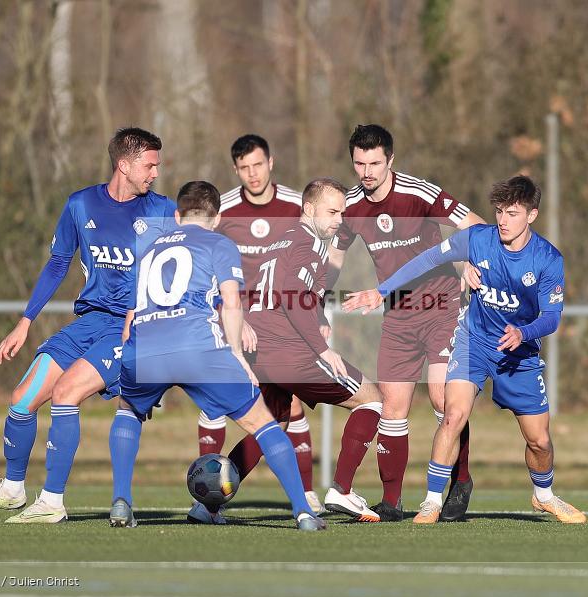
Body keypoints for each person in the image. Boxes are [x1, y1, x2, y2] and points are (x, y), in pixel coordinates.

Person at [0, 127, 176, 523]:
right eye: (149, 165)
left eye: (156, 166)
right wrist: (25, 321)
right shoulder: (80, 205)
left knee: (65, 394)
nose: (155, 174)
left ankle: (52, 502)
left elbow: (181, 271)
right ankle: (12, 489)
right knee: (21, 399)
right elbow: (58, 263)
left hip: (128, 329)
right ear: (124, 165)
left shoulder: (162, 211)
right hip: (87, 322)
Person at [344, 175, 586, 525]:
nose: (503, 220)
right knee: (452, 414)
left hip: (519, 355)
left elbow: (551, 318)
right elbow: (425, 260)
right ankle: (430, 501)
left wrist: (523, 332)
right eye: (500, 212)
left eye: (513, 214)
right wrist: (381, 291)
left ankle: (544, 496)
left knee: (539, 441)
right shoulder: (478, 239)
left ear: (532, 215)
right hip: (473, 342)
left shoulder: (548, 259)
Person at [114, 180, 326, 531]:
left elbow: (133, 313)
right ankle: (303, 512)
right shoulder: (219, 242)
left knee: (127, 411)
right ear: (218, 217)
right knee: (263, 422)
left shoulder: (149, 248)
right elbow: (231, 303)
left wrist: (132, 361)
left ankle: (121, 502)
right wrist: (238, 356)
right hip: (199, 347)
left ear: (178, 216)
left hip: (145, 347)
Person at [198, 178, 385, 524]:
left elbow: (276, 291)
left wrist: (314, 315)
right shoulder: (307, 245)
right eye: (331, 212)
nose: (338, 220)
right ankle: (341, 489)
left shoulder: (280, 241)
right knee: (371, 399)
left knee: (271, 425)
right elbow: (290, 295)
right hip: (291, 351)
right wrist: (320, 347)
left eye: (343, 213)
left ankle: (207, 505)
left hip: (263, 351)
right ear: (309, 209)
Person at [327, 124, 484, 521]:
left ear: (390, 160)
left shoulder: (420, 193)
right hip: (397, 314)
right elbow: (333, 259)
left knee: (440, 397)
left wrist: (470, 260)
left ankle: (460, 480)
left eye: (374, 163)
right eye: (359, 163)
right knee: (392, 406)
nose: (366, 171)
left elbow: (476, 226)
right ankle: (392, 502)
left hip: (442, 306)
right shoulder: (350, 206)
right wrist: (312, 294)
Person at [195, 134, 321, 514]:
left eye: (257, 165)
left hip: (285, 325)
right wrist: (229, 314)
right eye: (244, 168)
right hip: (235, 321)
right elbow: (201, 259)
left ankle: (306, 493)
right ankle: (208, 498)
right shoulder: (225, 209)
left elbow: (313, 263)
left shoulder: (298, 205)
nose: (252, 174)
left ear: (272, 162)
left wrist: (319, 316)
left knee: (288, 408)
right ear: (235, 170)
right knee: (216, 406)